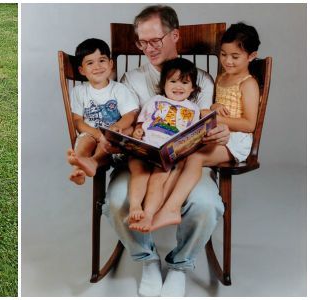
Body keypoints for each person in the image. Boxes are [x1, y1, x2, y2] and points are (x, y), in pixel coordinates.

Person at [101, 5, 231, 297]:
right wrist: (119, 137)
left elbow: (207, 125)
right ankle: (146, 260)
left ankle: (180, 266)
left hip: (186, 167)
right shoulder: (131, 80)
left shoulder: (202, 81)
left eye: (155, 40)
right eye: (142, 42)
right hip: (141, 164)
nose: (148, 48)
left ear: (175, 36)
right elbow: (128, 123)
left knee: (206, 206)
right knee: (118, 202)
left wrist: (219, 132)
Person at [150, 22, 261, 231]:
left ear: (251, 56)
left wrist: (213, 116)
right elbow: (217, 106)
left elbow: (249, 124)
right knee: (181, 152)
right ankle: (158, 205)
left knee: (195, 156)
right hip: (216, 133)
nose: (227, 61)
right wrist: (216, 106)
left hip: (236, 141)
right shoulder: (222, 77)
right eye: (223, 54)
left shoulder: (248, 84)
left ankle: (172, 208)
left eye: (235, 57)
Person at [127, 58, 201, 233]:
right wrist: (137, 131)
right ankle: (135, 207)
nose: (178, 86)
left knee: (157, 180)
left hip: (167, 154)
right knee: (140, 172)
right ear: (163, 84)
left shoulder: (192, 109)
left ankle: (148, 215)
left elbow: (192, 136)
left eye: (184, 82)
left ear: (193, 88)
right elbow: (141, 121)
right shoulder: (155, 100)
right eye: (173, 81)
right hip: (144, 147)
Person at [66, 38, 139, 185]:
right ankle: (78, 171)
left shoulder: (119, 89)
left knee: (114, 137)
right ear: (82, 70)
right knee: (85, 139)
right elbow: (78, 121)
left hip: (113, 138)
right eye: (90, 63)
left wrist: (117, 127)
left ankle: (93, 161)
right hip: (91, 133)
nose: (97, 66)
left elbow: (130, 114)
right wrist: (97, 134)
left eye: (102, 60)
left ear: (111, 64)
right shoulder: (79, 91)